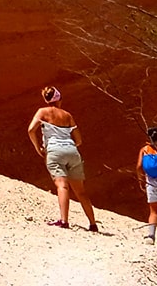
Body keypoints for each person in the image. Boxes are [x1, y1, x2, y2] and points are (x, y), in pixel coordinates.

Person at [28, 85, 99, 232]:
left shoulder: (42, 112)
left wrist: (38, 148)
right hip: (72, 151)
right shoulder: (67, 115)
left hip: (54, 150)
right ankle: (93, 224)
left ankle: (64, 221)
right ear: (59, 99)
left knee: (62, 185)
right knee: (81, 191)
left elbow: (31, 130)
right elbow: (79, 140)